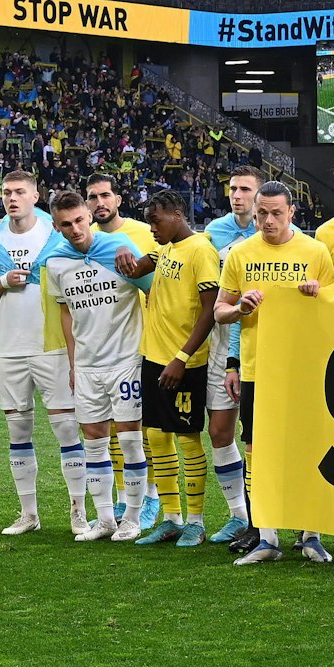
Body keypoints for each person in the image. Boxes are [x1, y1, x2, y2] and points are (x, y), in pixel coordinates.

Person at [215, 181, 334, 566]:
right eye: (261, 214)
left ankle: (311, 534)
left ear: (291, 214)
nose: (268, 221)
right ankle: (266, 537)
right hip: (257, 368)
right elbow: (220, 310)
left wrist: (320, 295)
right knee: (257, 450)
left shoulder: (315, 252)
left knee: (309, 448)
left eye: (275, 214)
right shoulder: (240, 254)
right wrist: (241, 311)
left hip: (305, 368)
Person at [0, 171, 87, 536]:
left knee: (66, 427)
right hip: (10, 349)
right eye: (6, 192)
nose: (12, 198)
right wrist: (1, 283)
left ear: (35, 195)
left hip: (51, 347)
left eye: (19, 191)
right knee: (18, 430)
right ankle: (28, 513)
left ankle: (78, 511)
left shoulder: (55, 235)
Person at [42, 190, 153, 544]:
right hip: (88, 366)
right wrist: (74, 365)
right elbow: (66, 313)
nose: (75, 229)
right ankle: (105, 518)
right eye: (65, 224)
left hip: (126, 361)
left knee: (131, 441)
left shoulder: (119, 247)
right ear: (56, 226)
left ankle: (133, 517)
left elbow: (157, 289)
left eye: (79, 220)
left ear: (89, 215)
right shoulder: (55, 263)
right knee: (93, 442)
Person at [130, 191, 221, 548]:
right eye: (150, 222)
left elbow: (209, 311)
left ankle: (195, 522)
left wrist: (182, 358)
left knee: (186, 438)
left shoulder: (200, 251)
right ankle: (170, 518)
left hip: (183, 363)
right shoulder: (167, 247)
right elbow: (141, 265)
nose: (152, 228)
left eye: (157, 221)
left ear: (179, 214)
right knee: (155, 436)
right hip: (153, 356)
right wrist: (127, 257)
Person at [86, 173, 158, 522]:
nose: (99, 202)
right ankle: (125, 494)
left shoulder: (144, 233)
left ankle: (152, 495)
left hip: (144, 342)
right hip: (105, 349)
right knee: (116, 427)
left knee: (141, 427)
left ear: (118, 200)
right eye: (92, 197)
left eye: (105, 195)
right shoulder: (84, 242)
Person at [204, 167, 262, 547]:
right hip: (222, 348)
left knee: (262, 439)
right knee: (220, 432)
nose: (237, 195)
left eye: (245, 189)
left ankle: (275, 519)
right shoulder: (213, 235)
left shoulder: (278, 238)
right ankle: (239, 515)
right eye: (233, 189)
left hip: (261, 349)